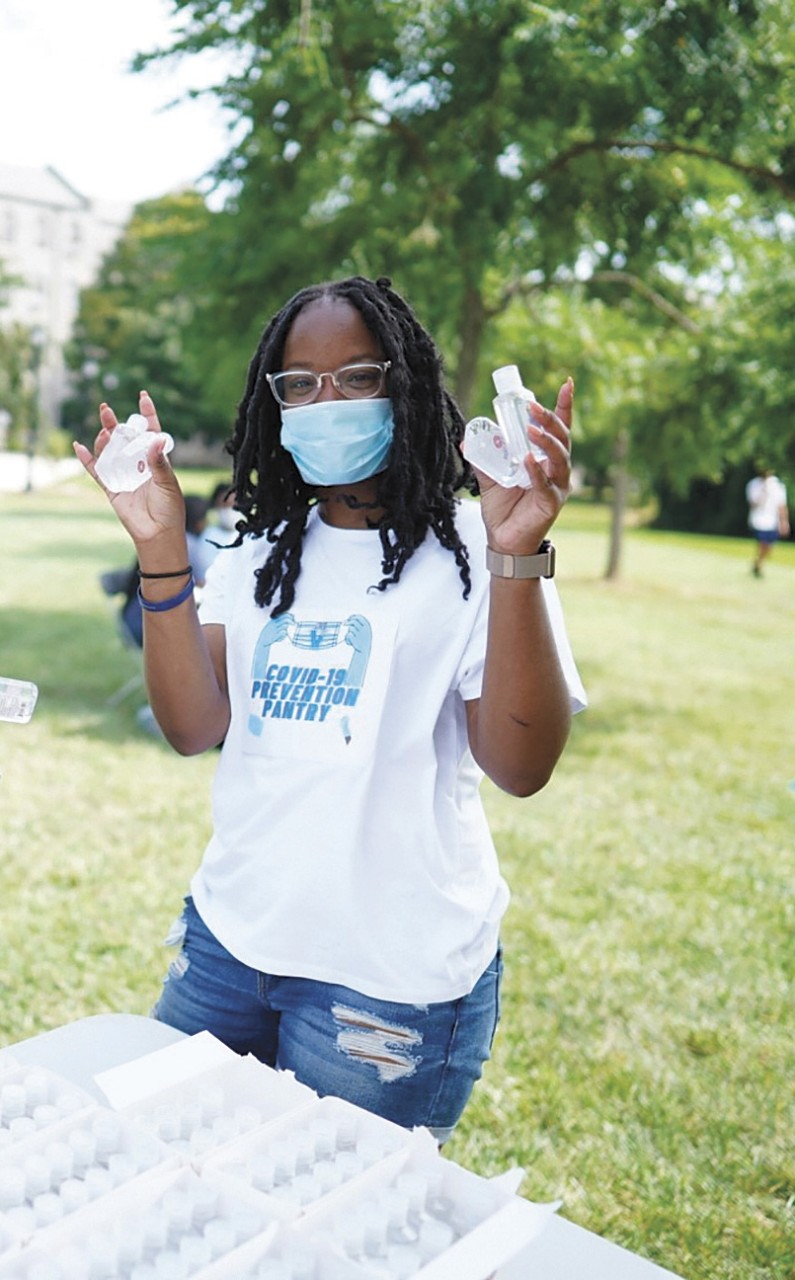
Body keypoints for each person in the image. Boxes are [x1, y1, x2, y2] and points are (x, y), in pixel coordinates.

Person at [74, 275, 586, 1144]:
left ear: (405, 386)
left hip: (385, 985)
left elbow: (521, 765)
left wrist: (518, 555)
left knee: (331, 1238)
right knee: (170, 1186)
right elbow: (194, 727)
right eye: (300, 383)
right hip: (229, 946)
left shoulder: (474, 547)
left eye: (356, 377)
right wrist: (161, 546)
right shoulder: (261, 548)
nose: (326, 401)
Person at [746, 468, 789, 577]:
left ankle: (758, 563)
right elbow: (753, 503)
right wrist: (763, 492)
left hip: (772, 520)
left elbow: (781, 505)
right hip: (758, 520)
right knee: (763, 543)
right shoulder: (753, 484)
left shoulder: (777, 484)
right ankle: (758, 566)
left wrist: (784, 521)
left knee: (769, 547)